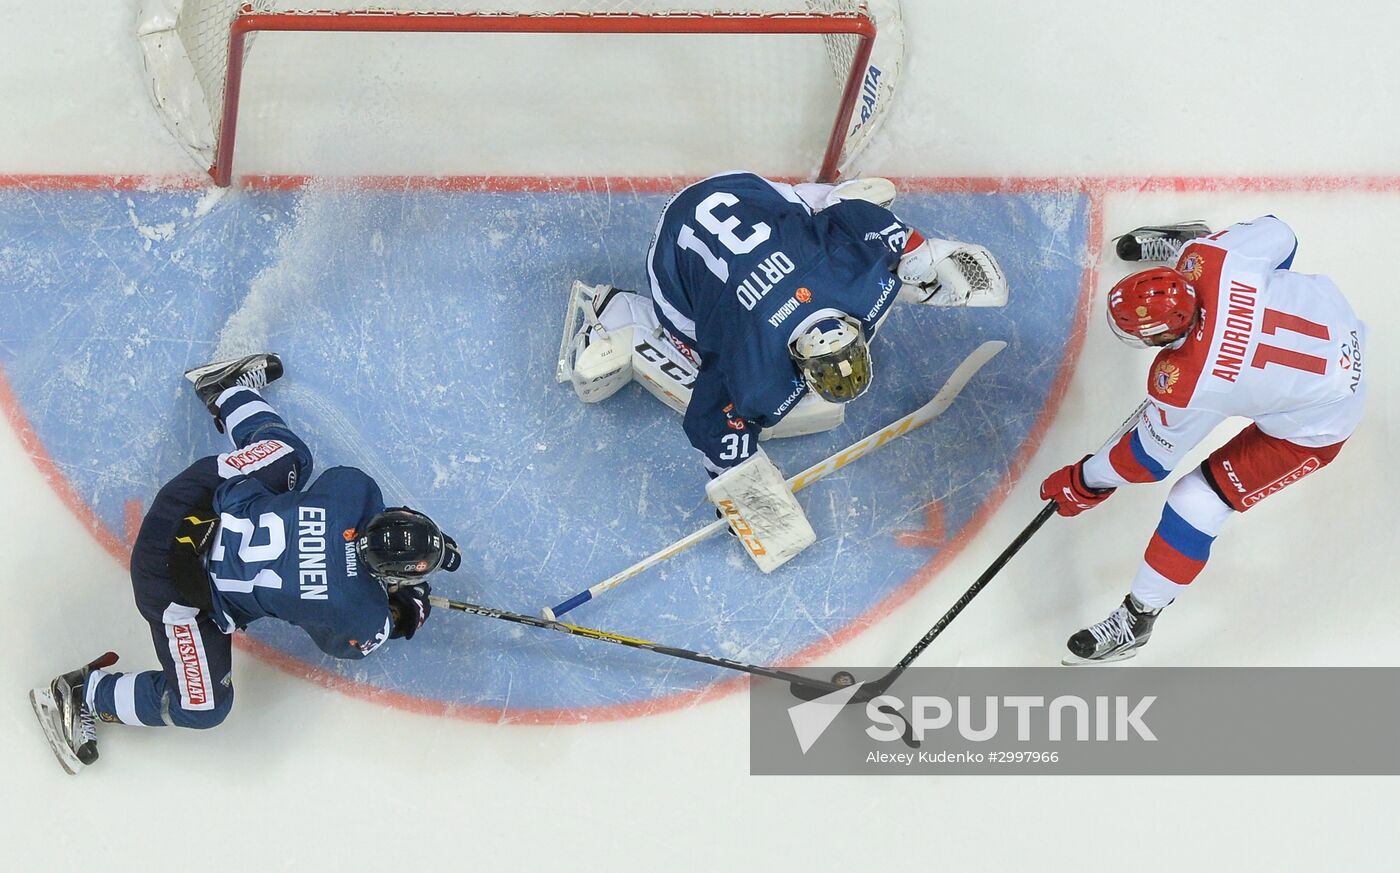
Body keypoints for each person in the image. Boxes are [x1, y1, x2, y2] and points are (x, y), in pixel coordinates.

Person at [30, 354, 461, 774]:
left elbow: (336, 546)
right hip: (170, 589)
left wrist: (380, 590)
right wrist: (402, 609)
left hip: (187, 500)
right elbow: (344, 640)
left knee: (293, 457)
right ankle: (84, 696)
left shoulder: (354, 490)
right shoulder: (362, 616)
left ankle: (227, 389)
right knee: (201, 709)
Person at [558, 171, 1008, 571]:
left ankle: (833, 200)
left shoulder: (849, 277)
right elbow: (710, 423)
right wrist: (743, 490)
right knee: (703, 352)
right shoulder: (752, 367)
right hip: (675, 250)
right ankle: (621, 316)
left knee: (837, 230)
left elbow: (863, 222)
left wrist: (917, 254)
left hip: (739, 190)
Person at [1040, 217, 1366, 664]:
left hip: (1321, 421)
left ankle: (1138, 620)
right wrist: (1233, 278)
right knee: (1244, 265)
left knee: (1197, 501)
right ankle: (1186, 241)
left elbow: (1149, 461)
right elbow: (1283, 235)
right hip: (1338, 323)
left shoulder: (1187, 379)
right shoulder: (1212, 259)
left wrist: (1086, 479)